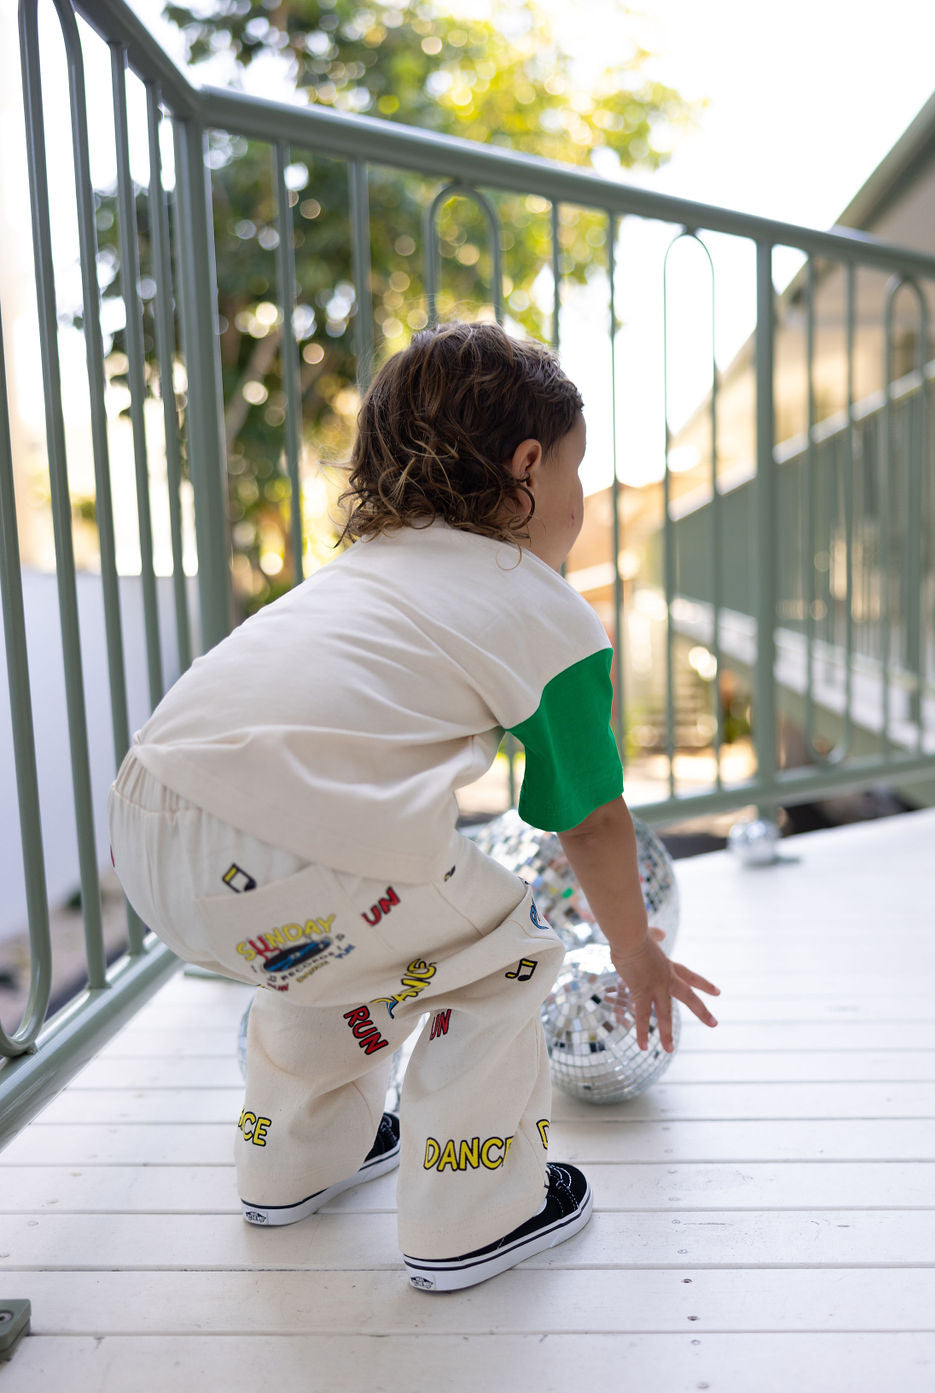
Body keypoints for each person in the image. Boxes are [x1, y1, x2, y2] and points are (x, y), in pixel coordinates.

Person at [107, 322, 720, 1292]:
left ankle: (292, 1156)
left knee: (343, 941)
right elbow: (590, 818)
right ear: (526, 470)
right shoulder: (540, 603)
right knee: (508, 947)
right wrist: (634, 945)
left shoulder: (357, 573)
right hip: (293, 845)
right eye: (576, 472)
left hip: (149, 834)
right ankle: (474, 1208)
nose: (582, 500)